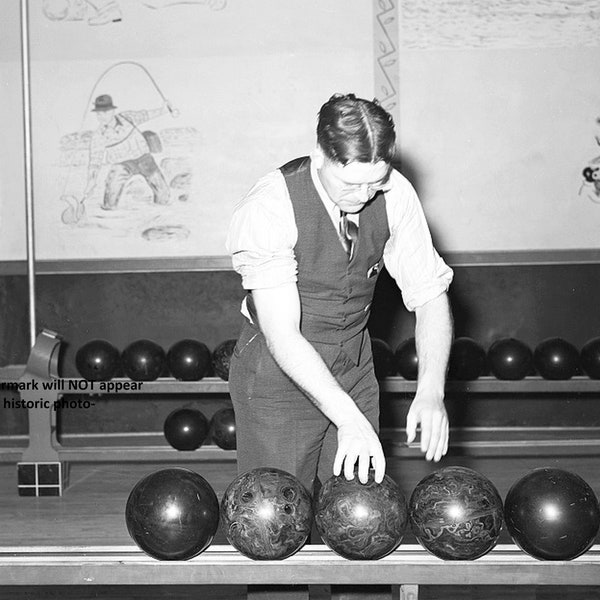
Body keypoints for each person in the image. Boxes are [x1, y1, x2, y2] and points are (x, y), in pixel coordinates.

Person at [226, 93, 453, 498]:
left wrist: (431, 391)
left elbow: (430, 295)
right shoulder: (269, 207)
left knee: (360, 513)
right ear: (319, 155)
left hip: (354, 363)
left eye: (375, 181)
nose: (364, 195)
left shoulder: (393, 191)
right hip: (279, 374)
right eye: (350, 183)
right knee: (276, 515)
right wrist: (348, 418)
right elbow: (283, 335)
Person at [83, 94, 171, 210]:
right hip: (122, 165)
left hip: (144, 159)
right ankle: (110, 214)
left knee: (163, 194)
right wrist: (91, 182)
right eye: (98, 114)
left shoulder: (128, 117)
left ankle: (160, 212)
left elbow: (146, 115)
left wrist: (165, 110)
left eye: (105, 112)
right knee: (110, 197)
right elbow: (95, 161)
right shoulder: (98, 136)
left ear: (112, 111)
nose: (101, 117)